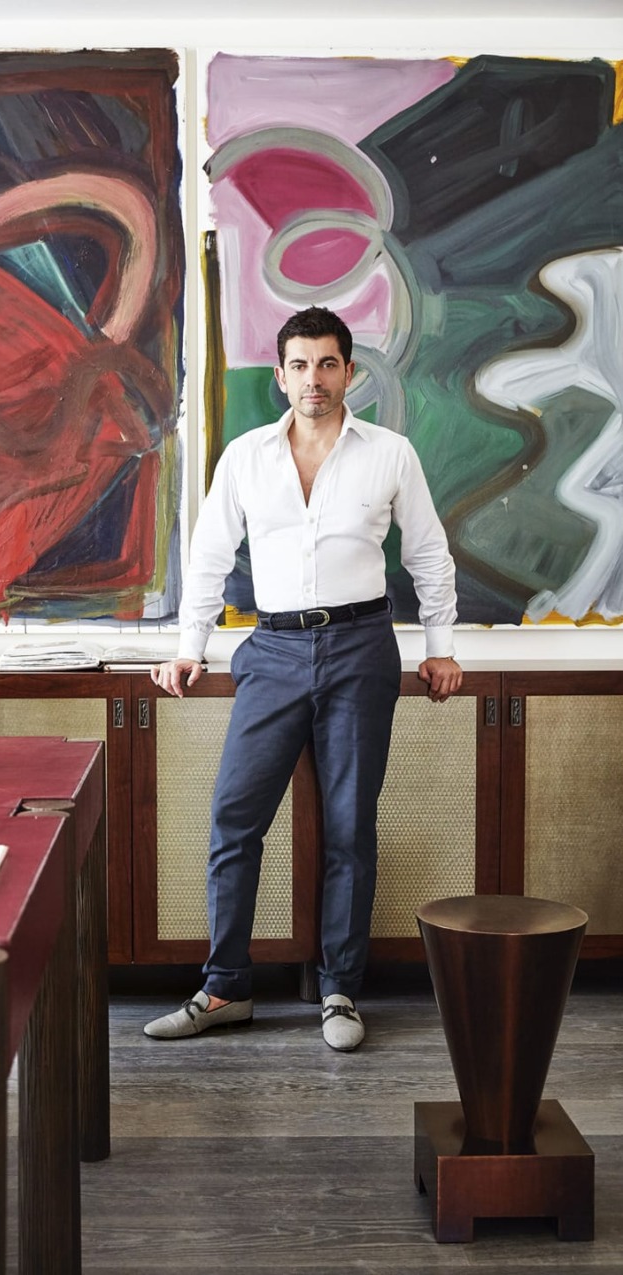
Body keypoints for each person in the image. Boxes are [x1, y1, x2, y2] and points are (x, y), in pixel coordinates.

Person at [144, 306, 462, 1050]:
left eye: (326, 363)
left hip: (360, 647)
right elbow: (209, 555)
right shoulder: (246, 457)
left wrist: (440, 646)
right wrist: (190, 646)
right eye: (299, 364)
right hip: (274, 650)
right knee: (235, 819)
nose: (313, 378)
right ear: (280, 375)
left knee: (350, 826)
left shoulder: (391, 454)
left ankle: (340, 990)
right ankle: (225, 987)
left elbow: (428, 553)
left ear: (348, 372)